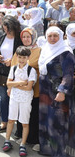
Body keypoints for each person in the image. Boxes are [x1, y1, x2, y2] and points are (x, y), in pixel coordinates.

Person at [38, 27, 75, 156]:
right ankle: (47, 149)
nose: (52, 39)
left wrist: (62, 91)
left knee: (58, 123)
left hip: (57, 93)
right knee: (46, 120)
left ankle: (59, 153)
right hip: (45, 92)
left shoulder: (65, 52)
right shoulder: (45, 49)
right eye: (50, 36)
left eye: (55, 36)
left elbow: (68, 74)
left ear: (61, 36)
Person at [10, 27, 41, 152]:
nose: (26, 39)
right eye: (24, 37)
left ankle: (33, 139)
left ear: (33, 37)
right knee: (21, 114)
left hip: (34, 88)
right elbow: (13, 66)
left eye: (28, 37)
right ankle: (24, 138)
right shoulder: (19, 50)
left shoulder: (39, 50)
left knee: (32, 114)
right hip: (18, 88)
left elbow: (38, 65)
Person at [2, 46, 37, 156]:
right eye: (20, 57)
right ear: (16, 57)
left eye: (24, 57)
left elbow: (29, 87)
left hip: (26, 99)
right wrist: (21, 83)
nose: (22, 60)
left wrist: (15, 84)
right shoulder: (14, 68)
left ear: (28, 57)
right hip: (14, 97)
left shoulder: (31, 70)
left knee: (25, 123)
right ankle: (7, 140)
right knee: (11, 120)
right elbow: (8, 83)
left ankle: (23, 144)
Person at [0, 15, 23, 133]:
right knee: (3, 97)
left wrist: (13, 61)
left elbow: (24, 52)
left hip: (16, 72)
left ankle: (17, 125)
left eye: (8, 29)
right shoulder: (1, 35)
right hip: (2, 71)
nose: (6, 31)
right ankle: (4, 122)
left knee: (16, 98)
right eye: (4, 29)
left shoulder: (19, 38)